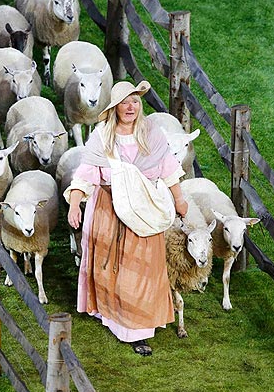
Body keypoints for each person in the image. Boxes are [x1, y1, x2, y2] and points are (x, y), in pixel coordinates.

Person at [64, 80, 189, 356]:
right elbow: (86, 173)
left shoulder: (151, 134)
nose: (130, 106)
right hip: (110, 210)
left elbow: (168, 167)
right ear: (115, 107)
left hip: (145, 211)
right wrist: (75, 204)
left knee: (142, 270)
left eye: (135, 101)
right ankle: (120, 320)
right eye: (124, 101)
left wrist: (180, 200)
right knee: (115, 269)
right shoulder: (103, 137)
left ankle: (138, 326)